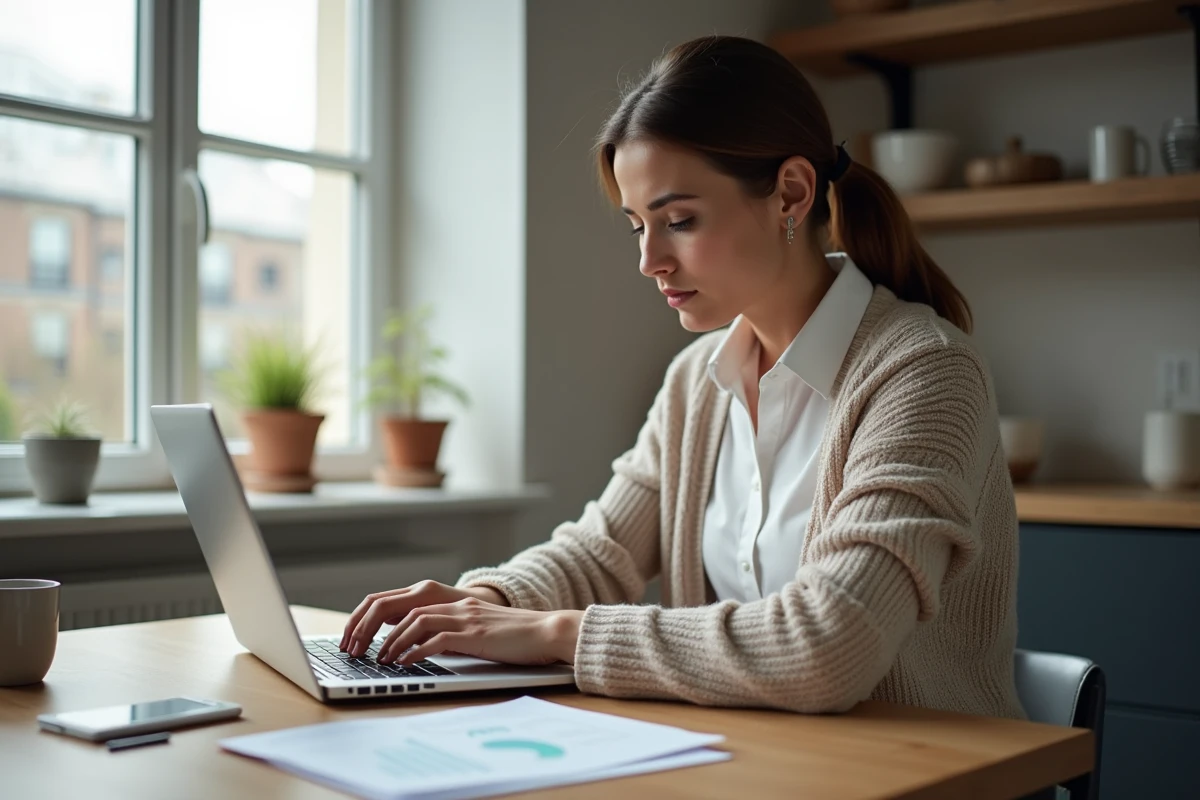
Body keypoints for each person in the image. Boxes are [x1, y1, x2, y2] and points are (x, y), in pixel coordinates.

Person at [340, 34, 1024, 719]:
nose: (650, 260)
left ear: (790, 192)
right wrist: (484, 604)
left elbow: (828, 644)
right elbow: (599, 552)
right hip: (752, 765)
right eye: (638, 226)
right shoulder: (696, 380)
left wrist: (555, 633)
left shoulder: (925, 371)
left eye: (679, 221)